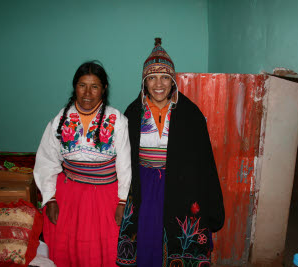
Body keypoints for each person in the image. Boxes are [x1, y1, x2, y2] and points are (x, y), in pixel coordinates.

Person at [116, 38, 225, 267]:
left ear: (173, 80)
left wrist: (211, 205)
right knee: (147, 242)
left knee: (177, 244)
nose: (159, 84)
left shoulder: (190, 114)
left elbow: (205, 162)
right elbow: (123, 160)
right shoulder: (133, 113)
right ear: (144, 82)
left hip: (180, 189)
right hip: (144, 189)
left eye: (165, 77)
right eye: (152, 77)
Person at [34, 61, 131, 267]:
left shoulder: (117, 120)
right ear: (74, 86)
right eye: (82, 85)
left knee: (104, 250)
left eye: (94, 86)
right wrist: (49, 198)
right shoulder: (62, 118)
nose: (87, 93)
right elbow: (47, 160)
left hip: (105, 198)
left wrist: (123, 201)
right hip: (68, 196)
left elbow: (125, 165)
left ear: (103, 89)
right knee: (68, 249)